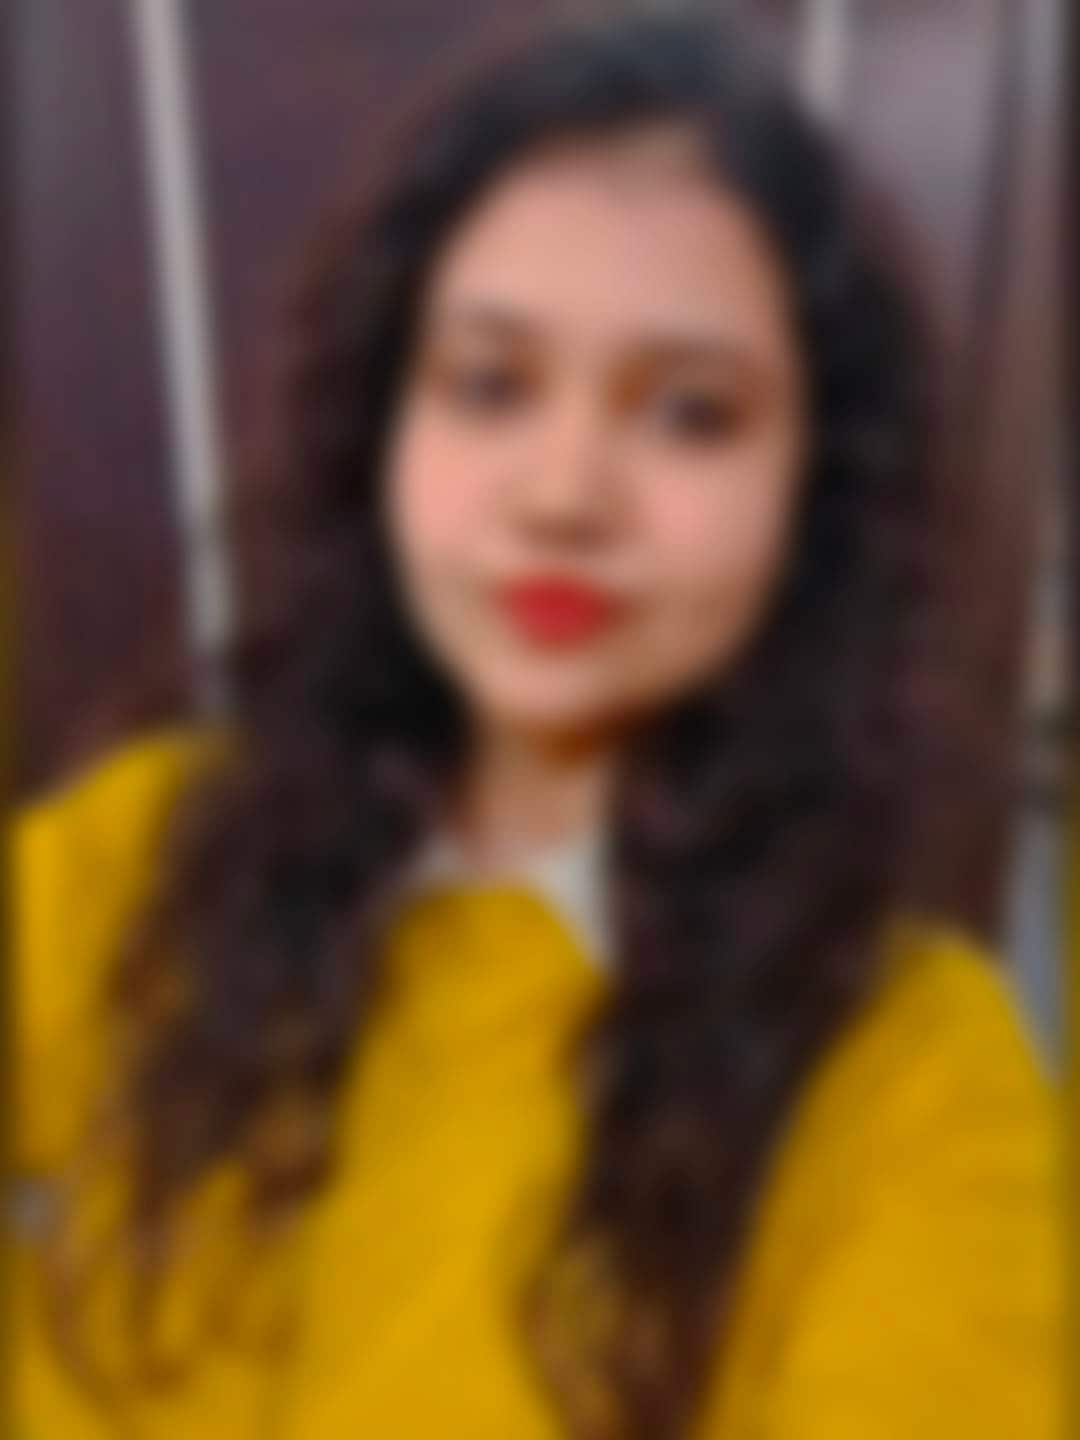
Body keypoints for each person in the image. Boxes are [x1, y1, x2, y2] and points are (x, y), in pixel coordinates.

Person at [12, 9, 1062, 1439]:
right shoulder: (151, 848)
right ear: (386, 434)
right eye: (490, 385)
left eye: (691, 415)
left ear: (812, 497)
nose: (563, 492)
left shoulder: (915, 1077)